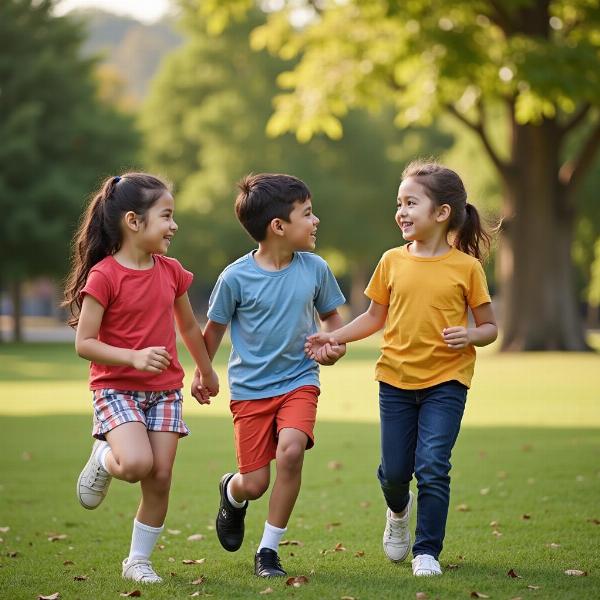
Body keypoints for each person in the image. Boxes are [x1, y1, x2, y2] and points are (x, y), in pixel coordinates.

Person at [306, 161, 498, 577]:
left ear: (442, 213)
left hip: (447, 381)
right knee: (395, 473)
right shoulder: (391, 261)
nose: (402, 212)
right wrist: (334, 337)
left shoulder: (466, 267)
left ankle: (427, 550)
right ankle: (398, 511)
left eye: (412, 202)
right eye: (400, 203)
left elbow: (489, 327)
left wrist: (471, 336)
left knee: (432, 464)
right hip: (394, 380)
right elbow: (374, 318)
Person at [62, 173, 219, 583]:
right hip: (115, 389)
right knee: (134, 464)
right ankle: (102, 457)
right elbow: (85, 343)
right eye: (166, 216)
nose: (174, 225)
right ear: (134, 221)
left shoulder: (171, 272)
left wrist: (205, 369)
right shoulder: (104, 276)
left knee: (160, 476)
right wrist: (132, 358)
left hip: (164, 391)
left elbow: (188, 327)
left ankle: (138, 561)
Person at [191, 173, 346, 578]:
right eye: (307, 214)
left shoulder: (315, 269)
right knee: (255, 483)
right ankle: (232, 491)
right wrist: (201, 374)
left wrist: (334, 343)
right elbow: (213, 332)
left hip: (299, 380)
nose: (316, 222)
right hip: (250, 391)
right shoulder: (234, 278)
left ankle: (268, 551)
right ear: (279, 226)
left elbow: (333, 318)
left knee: (291, 452)